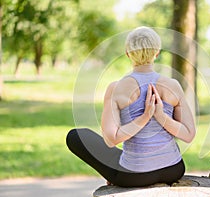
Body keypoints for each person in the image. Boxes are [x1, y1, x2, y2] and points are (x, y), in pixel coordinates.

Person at [66, 26, 196, 187]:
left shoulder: (116, 89)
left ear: (128, 53)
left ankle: (118, 172)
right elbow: (189, 134)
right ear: (157, 52)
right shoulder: (173, 86)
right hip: (173, 169)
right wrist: (160, 117)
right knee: (124, 153)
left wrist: (144, 118)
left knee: (76, 136)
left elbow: (111, 140)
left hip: (134, 176)